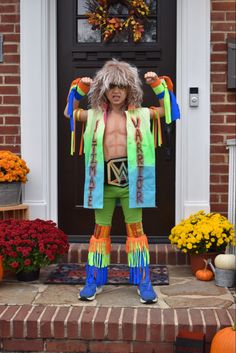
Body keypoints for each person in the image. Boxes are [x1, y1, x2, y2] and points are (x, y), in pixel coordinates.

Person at [64, 59, 180, 304]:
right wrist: (80, 90)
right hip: (102, 184)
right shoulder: (94, 115)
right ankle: (93, 280)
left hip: (132, 184)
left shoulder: (140, 115)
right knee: (99, 233)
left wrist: (157, 85)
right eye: (111, 86)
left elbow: (167, 111)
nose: (116, 91)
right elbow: (70, 113)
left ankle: (144, 282)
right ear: (103, 90)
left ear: (130, 90)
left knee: (136, 232)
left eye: (121, 86)